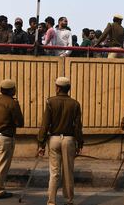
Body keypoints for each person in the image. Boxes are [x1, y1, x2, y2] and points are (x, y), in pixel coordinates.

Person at [38, 77, 83, 205]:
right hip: (69, 140)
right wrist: (80, 142)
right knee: (68, 172)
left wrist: (41, 144)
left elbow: (45, 124)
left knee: (54, 172)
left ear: (57, 88)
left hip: (54, 139)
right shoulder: (75, 104)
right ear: (68, 89)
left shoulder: (50, 102)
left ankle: (51, 201)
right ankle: (69, 200)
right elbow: (78, 126)